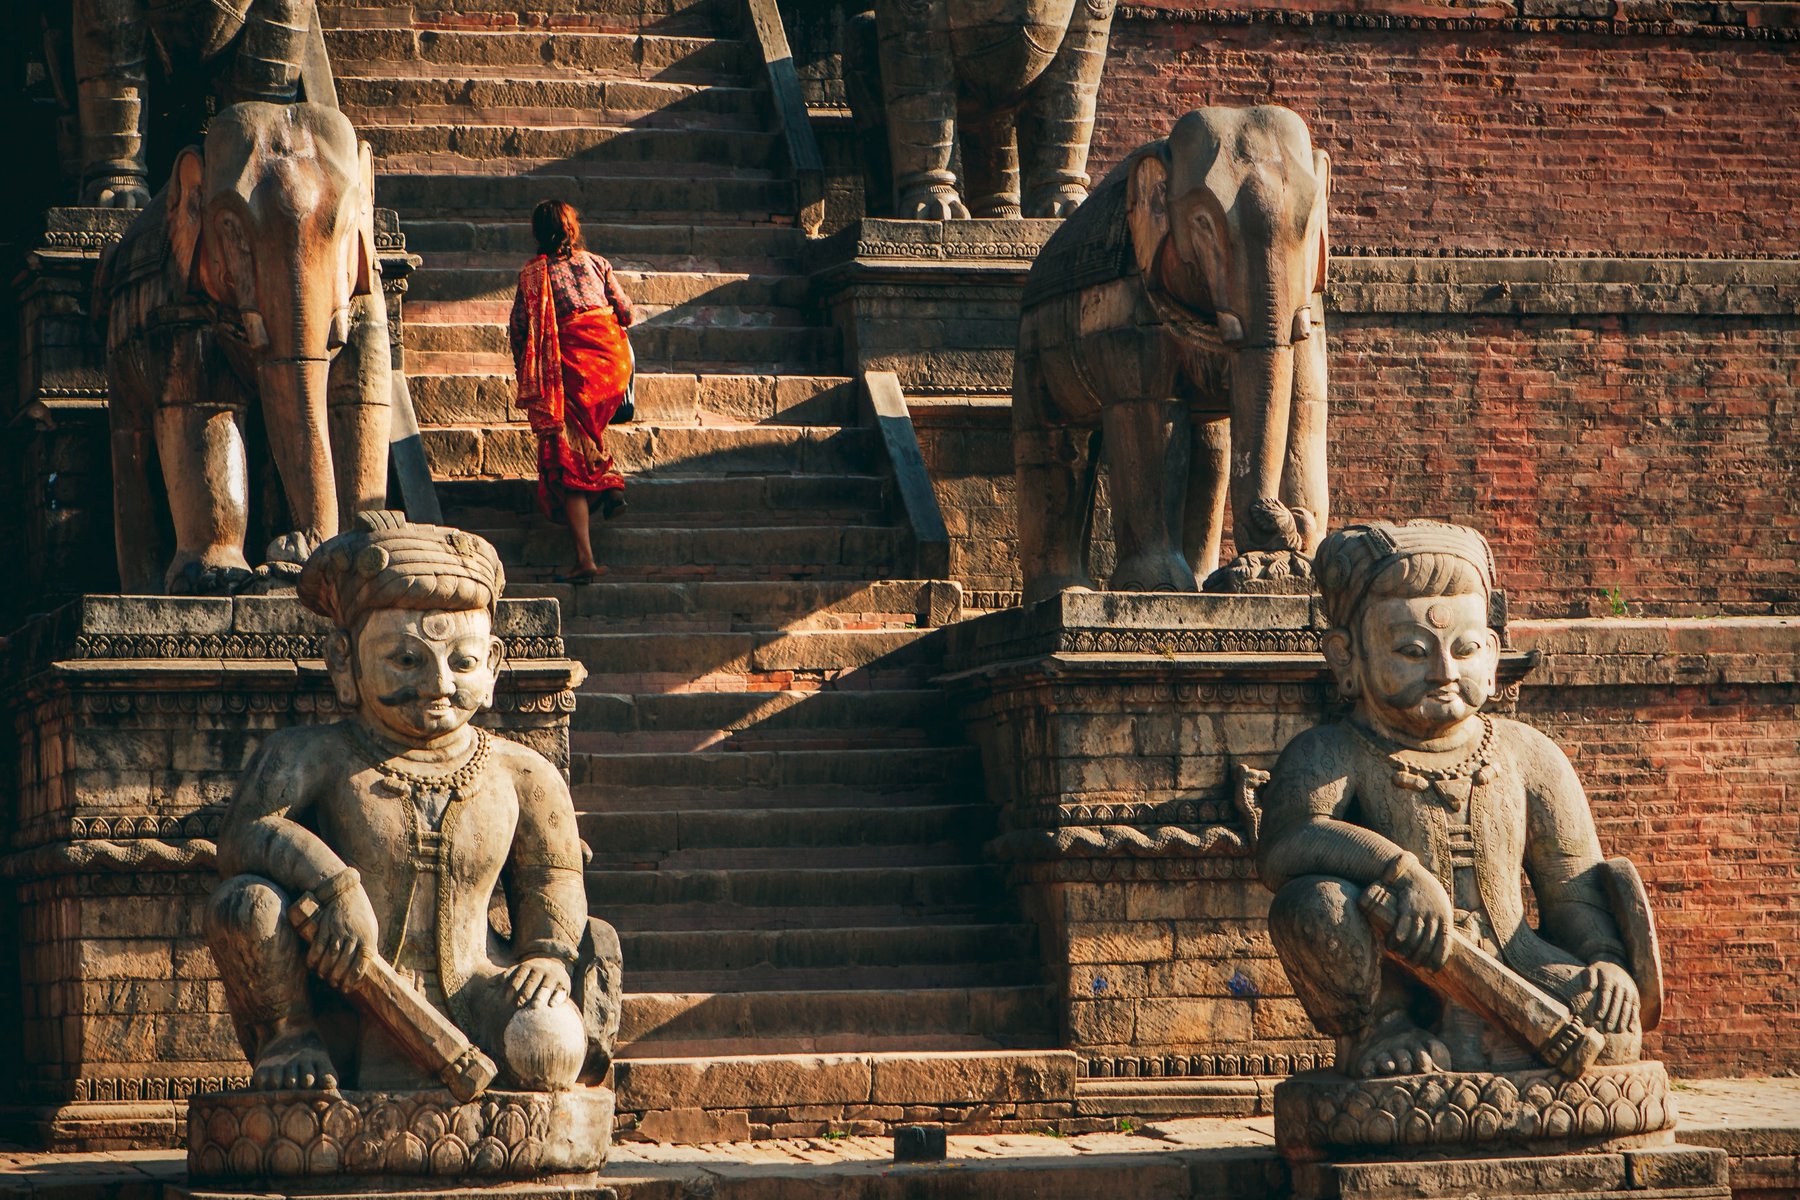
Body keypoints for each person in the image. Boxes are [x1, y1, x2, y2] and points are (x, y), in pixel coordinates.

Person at [205, 512, 621, 1093]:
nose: (438, 683)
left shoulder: (521, 772)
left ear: (495, 666)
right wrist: (334, 886)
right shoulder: (313, 754)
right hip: (346, 994)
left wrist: (547, 956)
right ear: (344, 661)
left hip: (480, 986)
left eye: (464, 662)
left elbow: (553, 876)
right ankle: (290, 1040)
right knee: (244, 903)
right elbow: (245, 834)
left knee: (551, 1045)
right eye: (406, 659)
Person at [1257, 520, 1645, 1078]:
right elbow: (1285, 844)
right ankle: (1379, 1032)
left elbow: (1573, 891)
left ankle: (1492, 1046)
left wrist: (1606, 962)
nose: (1443, 672)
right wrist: (1398, 870)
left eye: (1464, 650)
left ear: (1491, 653)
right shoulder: (1331, 752)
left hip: (1516, 966)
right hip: (1401, 976)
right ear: (1347, 656)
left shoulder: (1528, 754)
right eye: (1412, 651)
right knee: (1313, 902)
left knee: (1611, 1031)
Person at [509, 200, 638, 583]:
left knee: (568, 462)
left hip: (572, 369)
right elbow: (627, 312)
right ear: (571, 229)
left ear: (538, 233)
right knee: (586, 435)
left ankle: (585, 558)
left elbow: (519, 333)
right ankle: (611, 484)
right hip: (611, 363)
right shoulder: (597, 262)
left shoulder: (535, 275)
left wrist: (533, 369)